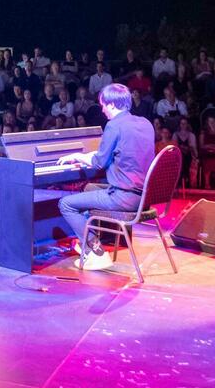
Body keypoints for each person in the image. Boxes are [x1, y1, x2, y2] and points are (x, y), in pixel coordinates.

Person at [55, 84, 156, 271]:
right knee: (89, 188)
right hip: (144, 197)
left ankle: (95, 252)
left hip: (124, 198)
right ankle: (89, 237)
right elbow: (123, 152)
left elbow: (100, 162)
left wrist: (79, 157)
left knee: (66, 204)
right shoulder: (145, 123)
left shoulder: (114, 125)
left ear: (111, 104)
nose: (102, 110)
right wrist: (88, 156)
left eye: (103, 105)